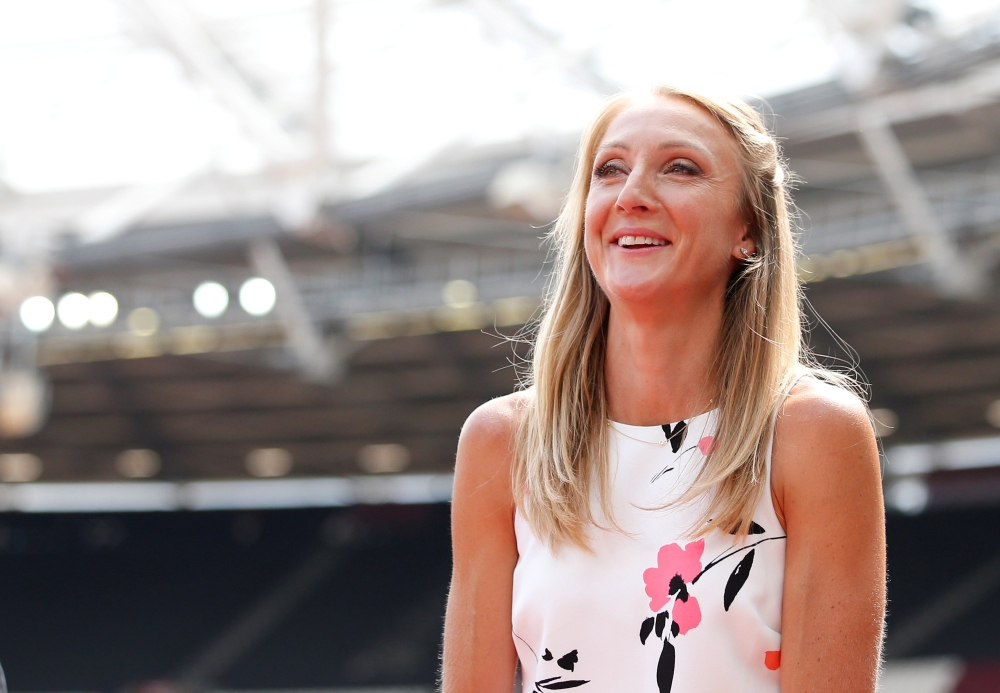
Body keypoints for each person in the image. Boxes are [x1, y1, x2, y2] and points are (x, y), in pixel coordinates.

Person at [441, 85, 886, 693]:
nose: (631, 196)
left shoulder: (812, 435)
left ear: (747, 230)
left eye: (680, 168)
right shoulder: (503, 442)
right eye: (610, 170)